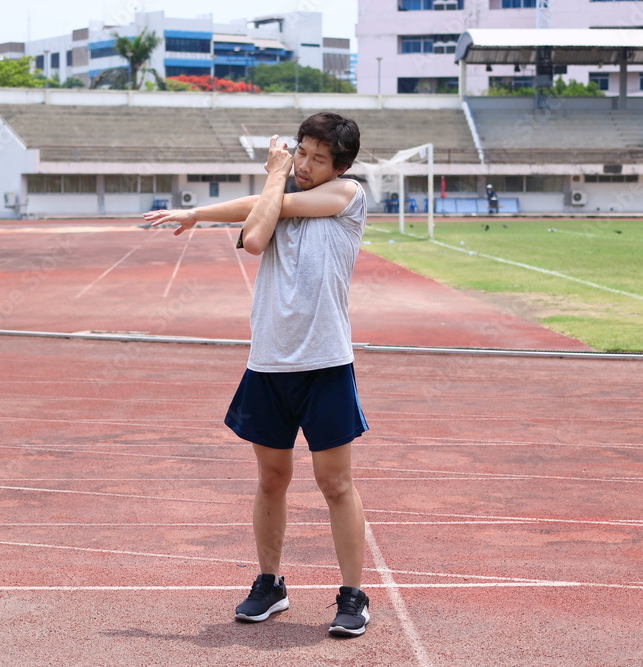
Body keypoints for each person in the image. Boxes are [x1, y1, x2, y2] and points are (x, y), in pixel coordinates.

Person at [141, 112, 371, 638]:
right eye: (301, 152)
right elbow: (255, 236)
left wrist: (271, 177)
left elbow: (277, 203)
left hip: (325, 363)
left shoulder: (348, 195)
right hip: (268, 362)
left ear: (340, 166)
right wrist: (197, 213)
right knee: (271, 479)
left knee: (335, 482)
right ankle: (271, 584)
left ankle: (353, 594)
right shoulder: (277, 196)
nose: (305, 165)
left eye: (318, 158)